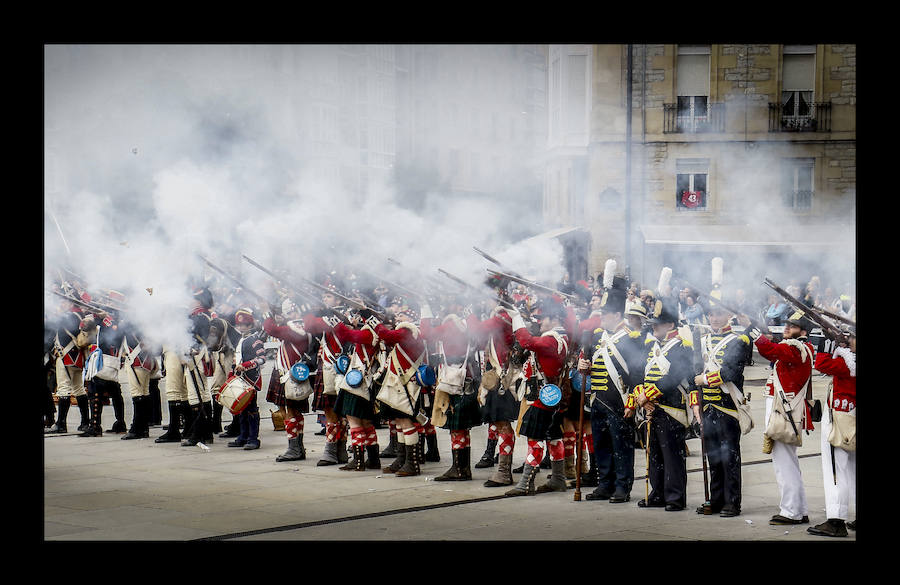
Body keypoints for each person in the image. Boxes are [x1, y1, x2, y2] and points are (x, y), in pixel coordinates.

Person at [738, 308, 815, 525]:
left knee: (784, 465)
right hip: (784, 411)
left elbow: (771, 351)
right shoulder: (797, 346)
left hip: (785, 413)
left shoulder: (797, 346)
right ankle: (799, 509)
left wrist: (754, 332)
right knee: (788, 462)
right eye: (787, 324)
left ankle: (791, 511)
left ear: (803, 331)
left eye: (793, 326)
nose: (787, 327)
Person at [577, 276, 645, 503]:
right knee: (602, 445)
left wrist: (632, 402)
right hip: (598, 400)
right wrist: (583, 366)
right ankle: (605, 484)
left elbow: (637, 375)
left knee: (621, 446)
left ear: (617, 315)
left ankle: (622, 487)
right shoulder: (598, 337)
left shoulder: (631, 339)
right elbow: (591, 365)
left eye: (605, 314)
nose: (601, 317)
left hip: (619, 401)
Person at [625, 296, 695, 512]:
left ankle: (675, 496)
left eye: (658, 323)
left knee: (672, 455)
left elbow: (674, 378)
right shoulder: (651, 346)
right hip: (651, 408)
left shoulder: (682, 347)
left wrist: (648, 395)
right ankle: (658, 493)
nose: (653, 327)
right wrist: (640, 398)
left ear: (670, 325)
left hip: (671, 408)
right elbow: (638, 374)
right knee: (654, 452)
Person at [504, 301, 571, 496]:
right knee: (554, 438)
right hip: (551, 397)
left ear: (554, 319)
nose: (540, 322)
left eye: (543, 319)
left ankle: (526, 483)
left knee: (535, 440)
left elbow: (527, 342)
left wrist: (516, 317)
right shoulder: (561, 337)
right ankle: (558, 479)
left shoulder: (551, 340)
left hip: (542, 399)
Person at [690, 302, 751, 517]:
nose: (714, 318)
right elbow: (694, 373)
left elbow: (731, 372)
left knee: (729, 456)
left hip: (727, 407)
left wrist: (705, 379)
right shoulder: (703, 340)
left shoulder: (737, 341)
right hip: (707, 406)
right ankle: (715, 499)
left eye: (718, 314)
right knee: (713, 456)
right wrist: (695, 402)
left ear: (727, 316)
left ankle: (732, 502)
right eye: (711, 314)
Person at [420, 300, 482, 481]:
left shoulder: (451, 325)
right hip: (466, 379)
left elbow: (426, 334)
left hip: (453, 380)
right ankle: (463, 468)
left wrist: (424, 308)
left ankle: (459, 469)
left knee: (456, 428)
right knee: (462, 429)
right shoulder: (467, 325)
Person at [807, 328, 856, 537]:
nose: (850, 339)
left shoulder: (849, 363)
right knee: (853, 471)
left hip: (841, 420)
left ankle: (836, 520)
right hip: (852, 417)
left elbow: (821, 364)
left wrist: (826, 342)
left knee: (835, 471)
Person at [467, 300, 519, 487]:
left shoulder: (501, 317)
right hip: (497, 377)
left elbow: (476, 329)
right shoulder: (498, 318)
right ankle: (502, 468)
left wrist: (469, 312)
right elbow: (481, 342)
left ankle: (504, 472)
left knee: (503, 425)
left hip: (503, 379)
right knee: (498, 423)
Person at [373, 306, 428, 477]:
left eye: (402, 315)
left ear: (410, 318)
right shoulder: (406, 332)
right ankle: (402, 459)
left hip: (405, 386)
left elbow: (387, 336)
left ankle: (411, 463)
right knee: (399, 423)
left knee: (406, 423)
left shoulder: (408, 331)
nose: (398, 317)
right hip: (397, 385)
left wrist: (373, 321)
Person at [263, 299, 316, 462]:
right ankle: (297, 448)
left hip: (289, 375)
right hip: (291, 374)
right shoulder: (302, 327)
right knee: (294, 412)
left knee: (291, 412)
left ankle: (294, 449)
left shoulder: (296, 327)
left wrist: (266, 312)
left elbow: (271, 329)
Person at [332, 308, 384, 471]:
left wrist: (335, 322)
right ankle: (373, 460)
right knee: (366, 423)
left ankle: (358, 460)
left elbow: (349, 335)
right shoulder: (373, 333)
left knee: (354, 421)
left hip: (358, 383)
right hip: (365, 383)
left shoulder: (369, 333)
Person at [302, 291, 350, 466]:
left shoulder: (336, 317)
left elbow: (309, 325)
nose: (324, 298)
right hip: (334, 367)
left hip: (335, 367)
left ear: (338, 300)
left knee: (333, 412)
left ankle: (332, 450)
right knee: (335, 412)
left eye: (328, 297)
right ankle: (340, 450)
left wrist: (309, 310)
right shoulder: (336, 315)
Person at [226, 308, 267, 450]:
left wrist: (246, 365)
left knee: (251, 409)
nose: (240, 327)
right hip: (240, 379)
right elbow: (237, 359)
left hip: (251, 379)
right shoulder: (241, 340)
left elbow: (262, 359)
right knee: (242, 409)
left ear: (250, 325)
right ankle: (243, 436)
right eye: (239, 325)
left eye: (243, 325)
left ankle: (253, 438)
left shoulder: (255, 340)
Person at [79, 314, 125, 437]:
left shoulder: (106, 320)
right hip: (113, 360)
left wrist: (94, 315)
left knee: (94, 393)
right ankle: (120, 423)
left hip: (103, 362)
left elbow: (84, 326)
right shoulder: (119, 321)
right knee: (115, 393)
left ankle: (95, 426)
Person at [119, 321, 160, 441]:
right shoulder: (145, 320)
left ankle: (137, 428)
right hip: (144, 361)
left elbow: (119, 332)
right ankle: (144, 427)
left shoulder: (135, 321)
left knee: (137, 394)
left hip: (138, 361)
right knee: (144, 393)